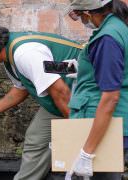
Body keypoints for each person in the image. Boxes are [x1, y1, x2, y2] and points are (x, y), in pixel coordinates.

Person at [0, 24, 83, 180]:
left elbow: (61, 91)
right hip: (61, 100)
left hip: (81, 96)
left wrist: (77, 129)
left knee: (86, 153)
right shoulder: (9, 57)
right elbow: (22, 88)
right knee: (36, 138)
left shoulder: (25, 54)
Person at [65, 0, 128, 179]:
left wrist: (87, 153)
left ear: (88, 13)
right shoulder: (119, 26)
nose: (82, 22)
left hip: (104, 120)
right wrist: (86, 71)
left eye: (79, 16)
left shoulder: (107, 38)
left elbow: (110, 97)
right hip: (112, 120)